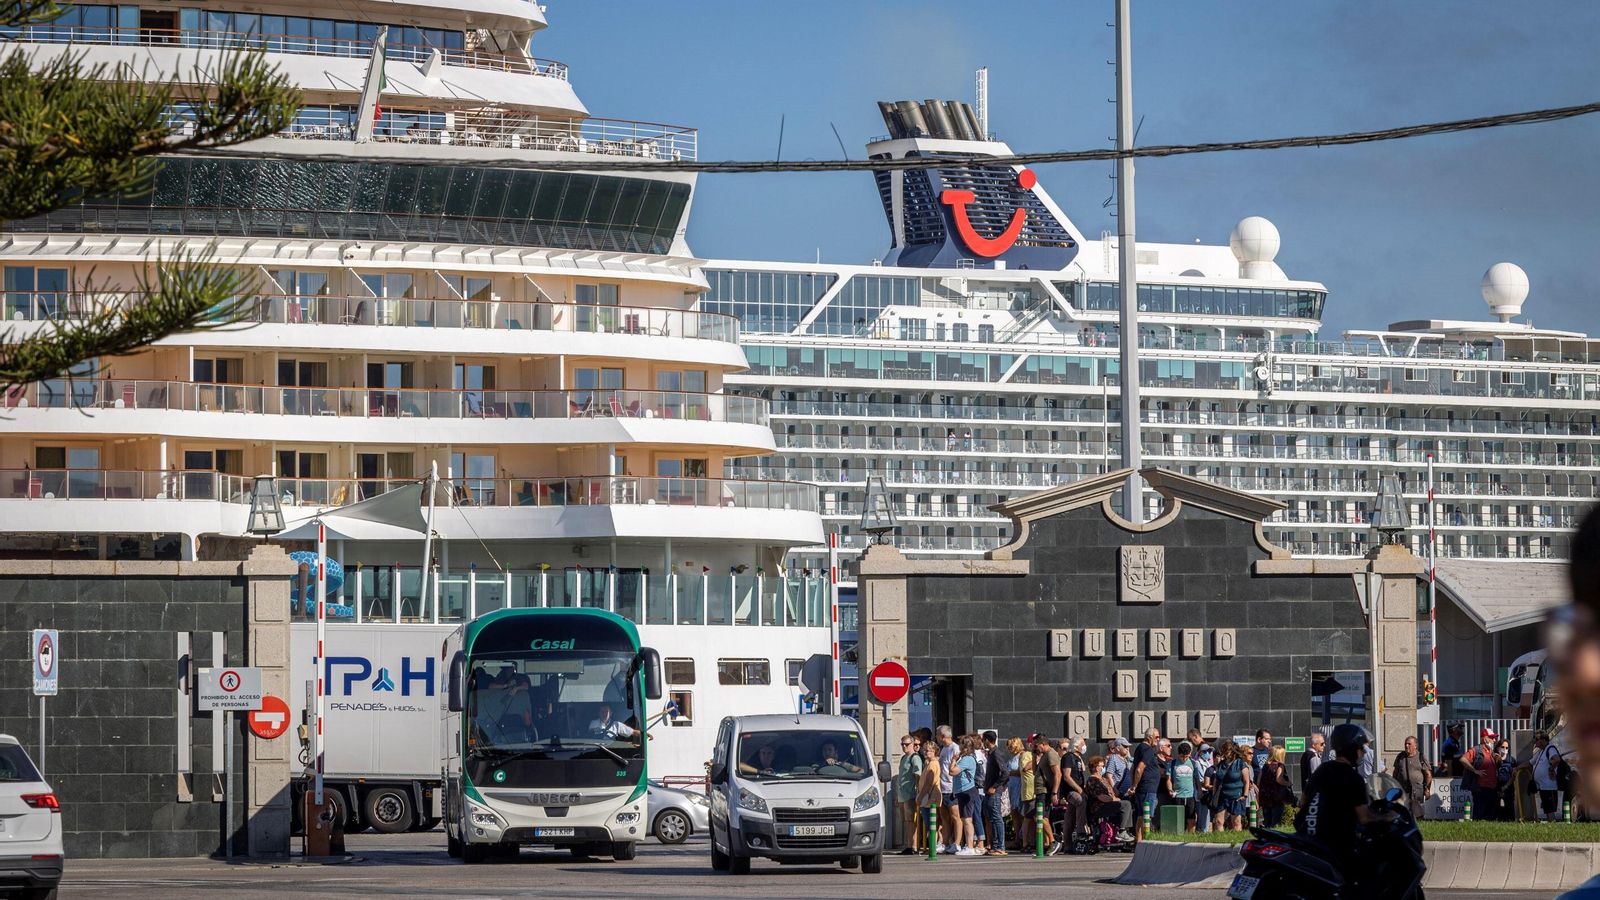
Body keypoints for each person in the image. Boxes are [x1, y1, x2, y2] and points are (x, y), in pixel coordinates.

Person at [1295, 723, 1384, 882]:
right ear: (1351, 749)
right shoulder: (1353, 778)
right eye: (1360, 748)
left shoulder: (1323, 770)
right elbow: (1364, 817)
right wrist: (1386, 817)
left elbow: (1303, 801)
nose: (1362, 752)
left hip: (1309, 838)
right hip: (1335, 843)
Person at [1210, 740, 1253, 831]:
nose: (1225, 752)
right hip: (1223, 796)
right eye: (1224, 750)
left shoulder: (1240, 763)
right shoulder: (1221, 764)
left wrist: (1245, 795)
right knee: (1218, 821)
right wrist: (1214, 795)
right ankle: (1219, 841)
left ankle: (1236, 841)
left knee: (1236, 822)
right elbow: (1216, 781)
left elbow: (1246, 781)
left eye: (1227, 750)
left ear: (1233, 751)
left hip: (1236, 796)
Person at [1129, 728, 1163, 841]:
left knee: (1140, 815)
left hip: (1143, 788)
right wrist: (1134, 785)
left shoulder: (1139, 748)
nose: (1158, 740)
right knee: (1147, 817)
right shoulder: (1148, 750)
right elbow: (1139, 769)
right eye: (1157, 737)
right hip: (1148, 788)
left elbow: (1134, 768)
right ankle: (1146, 841)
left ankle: (1138, 842)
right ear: (1149, 737)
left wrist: (1134, 785)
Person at [1460, 727, 1500, 820]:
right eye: (1492, 738)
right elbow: (1463, 759)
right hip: (1480, 788)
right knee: (1479, 812)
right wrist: (1474, 770)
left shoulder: (1491, 752)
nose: (1494, 740)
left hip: (1492, 787)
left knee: (1491, 813)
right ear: (1485, 739)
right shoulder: (1476, 750)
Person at [949, 734, 980, 855]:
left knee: (967, 820)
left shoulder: (967, 759)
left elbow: (952, 771)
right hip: (962, 792)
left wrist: (953, 760)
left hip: (967, 791)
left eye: (961, 745)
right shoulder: (965, 758)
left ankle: (970, 846)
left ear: (965, 747)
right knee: (965, 818)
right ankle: (968, 845)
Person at [1031, 734, 1061, 853]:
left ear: (1043, 744)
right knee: (1042, 818)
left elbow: (1057, 774)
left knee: (1040, 817)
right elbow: (1034, 771)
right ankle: (1047, 843)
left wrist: (1054, 792)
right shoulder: (1044, 756)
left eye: (1036, 745)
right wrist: (1034, 757)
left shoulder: (1051, 754)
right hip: (1040, 790)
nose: (1035, 747)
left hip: (1045, 791)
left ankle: (1053, 842)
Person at [1392, 735, 1432, 820]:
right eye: (1405, 744)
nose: (1406, 746)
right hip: (1402, 788)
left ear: (1415, 746)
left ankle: (1421, 825)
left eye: (1409, 744)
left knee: (1417, 810)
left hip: (1417, 789)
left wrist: (1427, 789)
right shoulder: (1400, 757)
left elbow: (1428, 774)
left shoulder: (1421, 756)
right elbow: (1395, 772)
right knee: (1402, 809)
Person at [980, 732, 1008, 855]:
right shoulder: (991, 754)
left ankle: (1000, 847)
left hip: (994, 792)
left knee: (996, 818)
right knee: (992, 818)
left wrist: (995, 786)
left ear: (987, 740)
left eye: (983, 739)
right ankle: (995, 845)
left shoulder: (996, 753)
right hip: (990, 791)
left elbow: (1005, 773)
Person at [1057, 737, 1087, 848]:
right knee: (1080, 801)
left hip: (1077, 789)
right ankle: (1081, 831)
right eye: (1082, 744)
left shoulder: (1077, 758)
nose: (1084, 746)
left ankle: (1068, 844)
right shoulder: (1068, 757)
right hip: (1071, 791)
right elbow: (1066, 776)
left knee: (1069, 816)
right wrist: (1079, 790)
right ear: (1076, 746)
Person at [896, 734, 924, 853]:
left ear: (912, 744)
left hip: (911, 793)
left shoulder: (915, 757)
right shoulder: (903, 758)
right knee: (906, 821)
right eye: (902, 744)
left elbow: (918, 774)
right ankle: (908, 844)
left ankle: (913, 846)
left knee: (911, 821)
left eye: (907, 744)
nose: (904, 747)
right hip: (902, 793)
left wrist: (918, 791)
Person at [915, 742, 942, 854]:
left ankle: (932, 847)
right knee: (930, 823)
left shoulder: (933, 764)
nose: (926, 752)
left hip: (930, 797)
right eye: (925, 750)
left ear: (935, 751)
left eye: (929, 750)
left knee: (930, 823)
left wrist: (920, 796)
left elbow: (929, 783)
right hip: (929, 796)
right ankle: (932, 846)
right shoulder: (929, 763)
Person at [1258, 746, 1295, 828]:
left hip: (1265, 797)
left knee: (1267, 819)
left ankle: (1266, 834)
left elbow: (1258, 781)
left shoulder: (1264, 766)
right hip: (1276, 797)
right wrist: (1288, 783)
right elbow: (1279, 779)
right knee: (1276, 820)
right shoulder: (1279, 765)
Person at [936, 725, 958, 852]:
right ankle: (945, 842)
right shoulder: (944, 749)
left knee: (955, 816)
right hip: (942, 788)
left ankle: (956, 842)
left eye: (938, 735)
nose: (937, 737)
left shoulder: (954, 748)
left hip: (951, 788)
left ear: (943, 736)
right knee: (944, 818)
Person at [1530, 733, 1562, 822]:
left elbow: (1556, 759)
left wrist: (1551, 769)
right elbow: (1530, 762)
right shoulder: (1541, 751)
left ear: (1543, 740)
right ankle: (1550, 824)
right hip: (1543, 787)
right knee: (1547, 809)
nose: (1535, 742)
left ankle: (1552, 825)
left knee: (1550, 809)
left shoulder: (1550, 748)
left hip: (1549, 786)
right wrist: (1517, 768)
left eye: (1536, 739)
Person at [1168, 741, 1199, 832]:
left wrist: (1199, 790)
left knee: (1191, 820)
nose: (1184, 759)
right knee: (1178, 821)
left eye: (1186, 756)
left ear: (1190, 754)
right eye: (1182, 756)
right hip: (1177, 796)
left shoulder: (1193, 763)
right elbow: (1168, 779)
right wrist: (1170, 789)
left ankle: (1191, 839)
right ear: (1178, 754)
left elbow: (1197, 779)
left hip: (1190, 796)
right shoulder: (1172, 764)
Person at [1016, 736, 1037, 852]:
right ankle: (1025, 842)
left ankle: (1032, 841)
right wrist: (1036, 758)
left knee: (1033, 818)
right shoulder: (1026, 755)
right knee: (1028, 817)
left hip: (1035, 791)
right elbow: (1025, 768)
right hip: (1029, 792)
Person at [1194, 742, 1216, 833]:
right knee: (1202, 815)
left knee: (1206, 815)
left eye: (1210, 751)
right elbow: (1200, 779)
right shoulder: (1197, 763)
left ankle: (1205, 832)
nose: (1209, 753)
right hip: (1201, 792)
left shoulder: (1207, 763)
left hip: (1207, 792)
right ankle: (1201, 833)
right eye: (1207, 751)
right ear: (1201, 752)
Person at [1494, 738, 1517, 821]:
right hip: (1496, 788)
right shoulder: (1494, 759)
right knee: (1497, 809)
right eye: (1503, 747)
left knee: (1509, 808)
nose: (1505, 749)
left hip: (1508, 788)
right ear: (1498, 747)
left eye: (1507, 748)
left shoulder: (1512, 760)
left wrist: (1506, 786)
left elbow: (1514, 776)